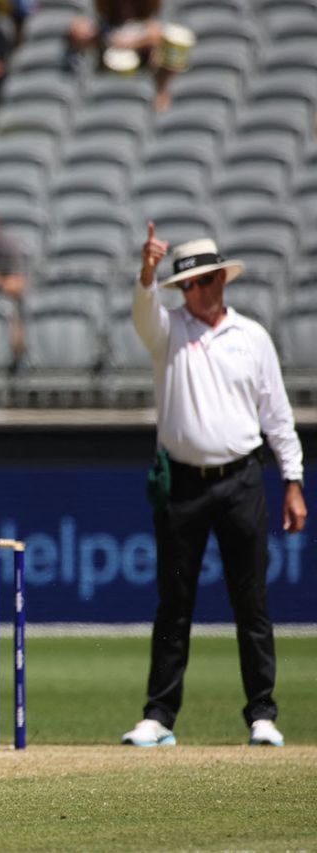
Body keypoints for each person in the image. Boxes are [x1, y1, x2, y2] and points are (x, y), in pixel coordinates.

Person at [120, 227, 304, 749]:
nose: (195, 292)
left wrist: (293, 481)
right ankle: (159, 716)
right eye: (187, 285)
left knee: (251, 602)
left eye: (203, 281)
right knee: (174, 602)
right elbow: (143, 316)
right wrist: (147, 274)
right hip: (182, 484)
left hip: (241, 480)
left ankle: (262, 714)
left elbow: (277, 415)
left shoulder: (252, 337)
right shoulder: (169, 330)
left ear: (221, 279)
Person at [67, 0, 183, 112]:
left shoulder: (150, 29)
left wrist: (131, 42)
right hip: (105, 94)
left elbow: (156, 35)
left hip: (140, 94)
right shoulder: (103, 28)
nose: (125, 7)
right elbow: (79, 32)